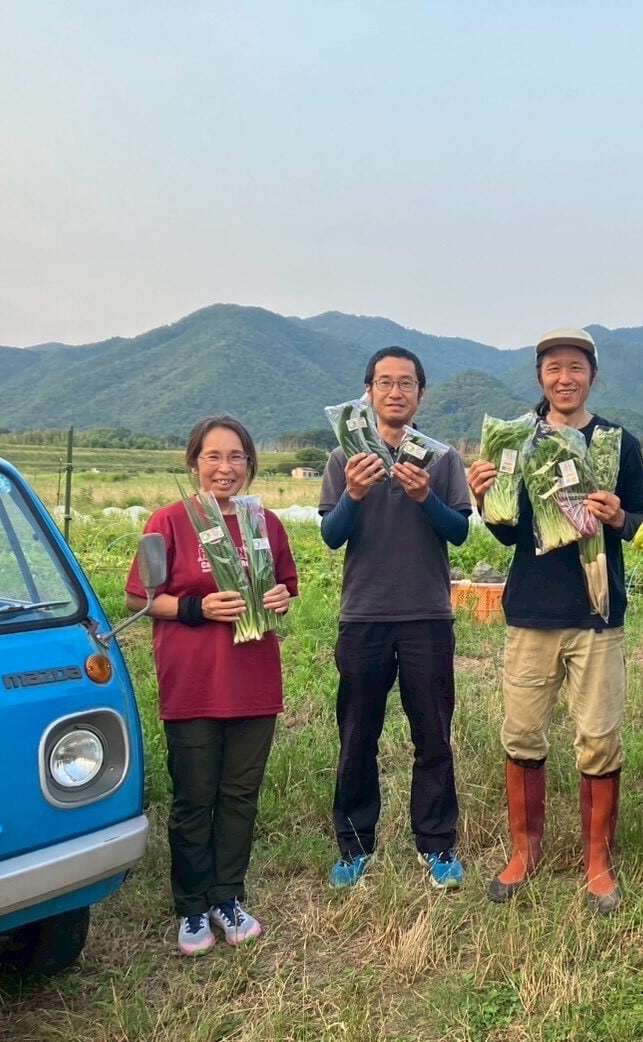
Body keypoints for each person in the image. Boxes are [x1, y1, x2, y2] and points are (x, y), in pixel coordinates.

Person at [466, 328, 643, 914]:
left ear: (592, 375)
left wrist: (619, 517)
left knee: (599, 738)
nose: (564, 377)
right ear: (540, 377)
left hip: (598, 614)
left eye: (575, 367)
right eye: (554, 368)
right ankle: (525, 852)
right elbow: (506, 533)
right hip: (532, 612)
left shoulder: (617, 444)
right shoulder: (516, 440)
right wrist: (484, 499)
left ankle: (598, 861)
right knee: (522, 734)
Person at [126, 416, 298, 956]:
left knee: (240, 796)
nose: (225, 468)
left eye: (236, 457)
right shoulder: (170, 521)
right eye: (213, 456)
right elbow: (138, 599)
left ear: (250, 464)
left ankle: (228, 896)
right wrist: (195, 608)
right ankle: (191, 906)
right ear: (194, 462)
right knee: (194, 798)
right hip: (194, 685)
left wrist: (280, 599)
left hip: (254, 683)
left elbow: (285, 587)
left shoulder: (264, 522)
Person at [318, 346, 472, 891]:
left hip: (428, 615)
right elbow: (331, 535)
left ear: (421, 394)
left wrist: (426, 497)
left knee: (433, 735)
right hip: (364, 617)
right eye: (384, 382)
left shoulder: (441, 459)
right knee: (358, 734)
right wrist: (355, 494)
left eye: (407, 382)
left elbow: (459, 531)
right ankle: (354, 846)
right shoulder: (345, 457)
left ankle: (437, 844)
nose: (395, 391)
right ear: (368, 393)